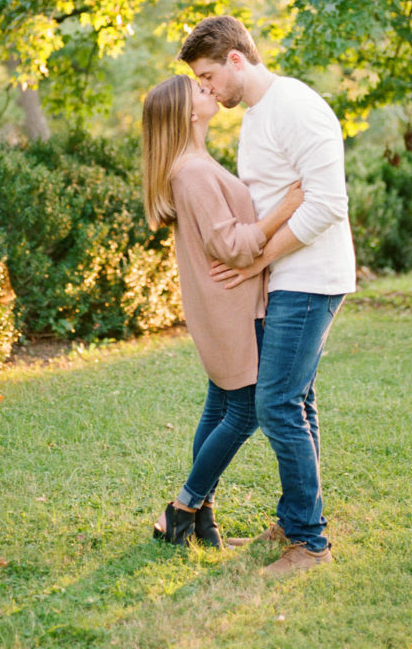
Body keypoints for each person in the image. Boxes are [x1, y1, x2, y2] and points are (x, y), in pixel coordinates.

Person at [178, 16, 356, 576]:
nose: (205, 90)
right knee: (296, 401)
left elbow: (328, 204)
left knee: (274, 402)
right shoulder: (255, 118)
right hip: (285, 278)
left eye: (208, 77)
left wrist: (259, 257)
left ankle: (310, 542)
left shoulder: (297, 106)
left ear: (236, 59)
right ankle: (296, 518)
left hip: (311, 278)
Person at [141, 73, 303, 548]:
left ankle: (202, 520)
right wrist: (288, 206)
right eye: (198, 88)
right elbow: (232, 244)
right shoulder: (191, 171)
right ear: (186, 113)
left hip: (226, 304)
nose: (207, 88)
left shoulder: (194, 164)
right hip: (230, 308)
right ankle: (182, 508)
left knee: (219, 408)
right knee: (246, 410)